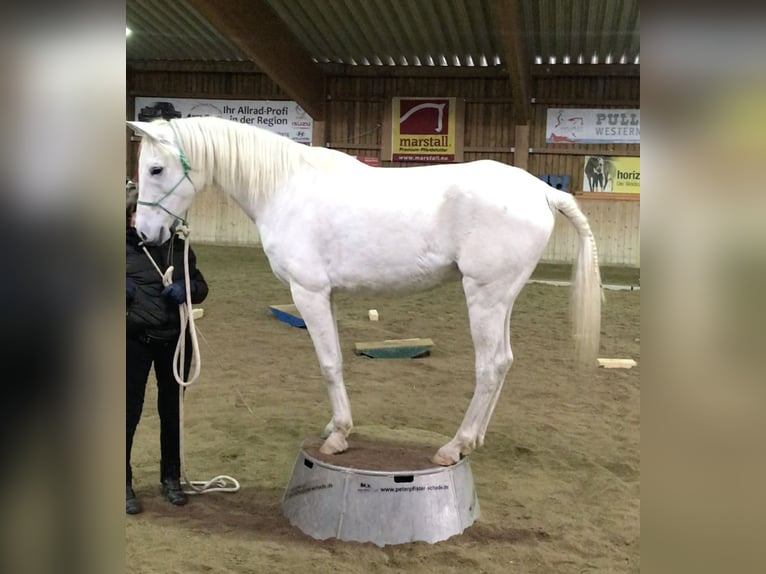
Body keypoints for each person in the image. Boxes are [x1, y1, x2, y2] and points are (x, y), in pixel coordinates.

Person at [125, 181, 209, 514]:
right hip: (134, 340)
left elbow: (201, 285)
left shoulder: (180, 248)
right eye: (136, 213)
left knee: (172, 411)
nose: (142, 219)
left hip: (175, 339)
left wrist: (187, 289)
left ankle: (171, 477)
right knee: (127, 413)